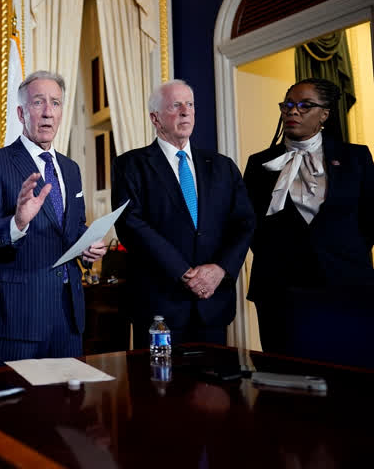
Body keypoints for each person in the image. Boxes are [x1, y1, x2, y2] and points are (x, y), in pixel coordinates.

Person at [0, 70, 107, 363]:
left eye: (55, 103)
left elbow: (72, 228)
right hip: (17, 316)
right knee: (17, 407)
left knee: (67, 405)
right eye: (38, 103)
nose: (47, 112)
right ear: (21, 112)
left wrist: (87, 247)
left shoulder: (71, 169)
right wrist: (17, 222)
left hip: (68, 317)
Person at [111, 79, 254, 347]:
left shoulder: (222, 166)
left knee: (215, 387)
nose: (185, 111)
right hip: (159, 305)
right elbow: (131, 225)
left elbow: (244, 223)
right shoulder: (130, 165)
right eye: (176, 105)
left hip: (212, 304)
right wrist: (185, 273)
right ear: (155, 118)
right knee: (158, 386)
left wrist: (220, 269)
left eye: (190, 104)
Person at [243, 78, 374, 363]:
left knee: (350, 379)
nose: (293, 111)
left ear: (324, 114)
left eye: (305, 105)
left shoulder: (356, 157)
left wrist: (338, 252)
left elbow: (369, 221)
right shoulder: (259, 163)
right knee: (285, 379)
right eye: (288, 105)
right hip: (280, 290)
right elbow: (250, 227)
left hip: (346, 285)